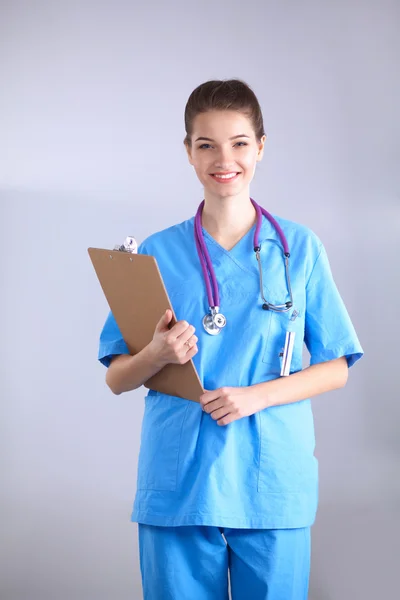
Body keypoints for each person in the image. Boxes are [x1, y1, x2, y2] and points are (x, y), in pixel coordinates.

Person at [97, 79, 363, 600]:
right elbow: (115, 378)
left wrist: (254, 397)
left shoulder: (298, 249)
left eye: (240, 142)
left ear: (260, 147)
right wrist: (155, 354)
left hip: (270, 482)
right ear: (189, 153)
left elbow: (337, 365)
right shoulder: (156, 252)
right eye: (207, 144)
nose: (225, 159)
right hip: (180, 484)